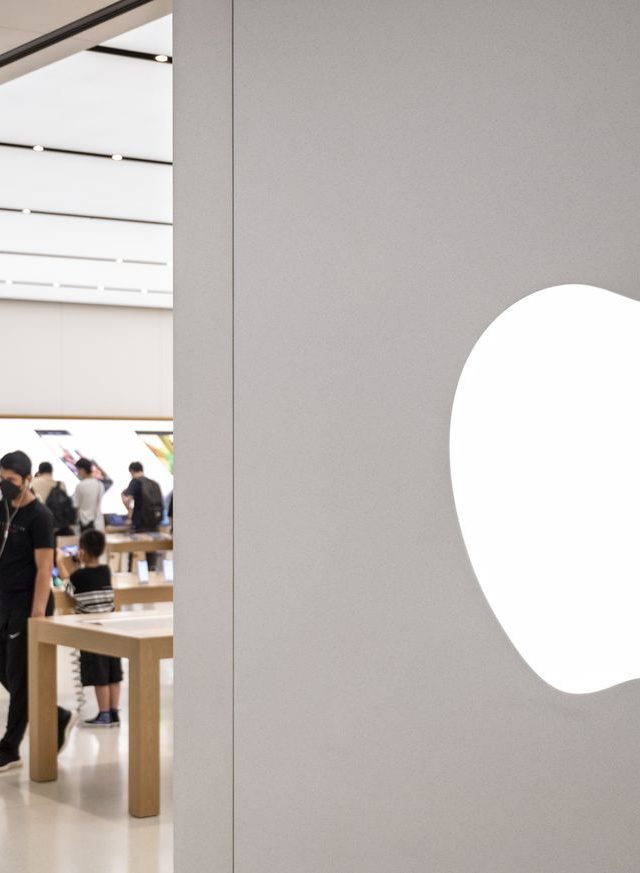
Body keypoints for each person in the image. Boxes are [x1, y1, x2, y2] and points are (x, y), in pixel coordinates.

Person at [0, 450, 75, 772]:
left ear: (27, 479)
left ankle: (10, 748)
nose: (5, 484)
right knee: (7, 672)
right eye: (1, 478)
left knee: (19, 676)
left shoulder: (40, 516)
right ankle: (57, 715)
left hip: (28, 603)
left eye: (11, 479)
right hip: (3, 600)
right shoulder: (3, 508)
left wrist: (37, 615)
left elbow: (45, 569)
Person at [57, 529, 122, 728]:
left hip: (93, 633)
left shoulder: (78, 576)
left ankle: (104, 714)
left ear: (82, 551)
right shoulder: (105, 571)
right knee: (113, 672)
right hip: (111, 629)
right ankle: (113, 713)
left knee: (99, 675)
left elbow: (67, 586)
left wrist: (60, 563)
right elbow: (89, 582)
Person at [121, 462, 163, 571]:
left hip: (140, 523)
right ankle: (151, 573)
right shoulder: (154, 484)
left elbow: (128, 500)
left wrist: (124, 500)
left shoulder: (135, 482)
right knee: (151, 551)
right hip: (154, 523)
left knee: (136, 550)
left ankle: (133, 573)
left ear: (131, 471)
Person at [32, 462, 75, 537]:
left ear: (39, 471)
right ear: (51, 471)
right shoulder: (60, 484)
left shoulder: (33, 482)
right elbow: (67, 505)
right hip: (57, 525)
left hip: (38, 521)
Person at [72, 458, 105, 533]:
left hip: (83, 522)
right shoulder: (100, 484)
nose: (77, 473)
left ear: (82, 470)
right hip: (98, 522)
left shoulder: (80, 486)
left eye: (78, 470)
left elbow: (76, 506)